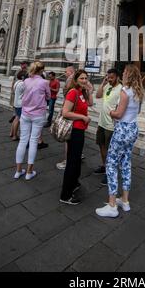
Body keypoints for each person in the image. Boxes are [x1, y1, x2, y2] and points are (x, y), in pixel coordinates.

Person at [96, 64, 144, 218]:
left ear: (128, 75)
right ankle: (125, 200)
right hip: (133, 129)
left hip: (122, 130)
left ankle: (111, 204)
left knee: (111, 164)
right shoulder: (139, 92)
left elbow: (118, 114)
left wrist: (111, 111)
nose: (122, 74)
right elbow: (137, 111)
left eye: (124, 72)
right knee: (126, 163)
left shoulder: (125, 92)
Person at [60, 70, 93, 205]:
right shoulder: (73, 92)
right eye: (81, 78)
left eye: (86, 78)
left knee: (76, 160)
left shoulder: (82, 92)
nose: (84, 80)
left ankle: (74, 183)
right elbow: (65, 112)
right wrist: (83, 117)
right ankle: (65, 195)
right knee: (72, 162)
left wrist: (89, 90)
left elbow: (90, 103)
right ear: (75, 79)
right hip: (74, 130)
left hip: (80, 130)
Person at [14, 61, 51, 181]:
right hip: (38, 115)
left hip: (25, 113)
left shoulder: (26, 81)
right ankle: (29, 172)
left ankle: (18, 171)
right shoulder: (44, 82)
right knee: (33, 141)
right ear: (41, 71)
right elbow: (48, 96)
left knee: (23, 141)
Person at [94, 69, 122, 186]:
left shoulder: (121, 89)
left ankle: (110, 172)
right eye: (108, 77)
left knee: (111, 150)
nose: (109, 79)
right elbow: (98, 95)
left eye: (111, 77)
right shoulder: (108, 86)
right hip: (102, 122)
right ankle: (105, 166)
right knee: (101, 145)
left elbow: (120, 107)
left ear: (117, 77)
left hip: (111, 125)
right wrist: (103, 83)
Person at [56, 65, 76, 170]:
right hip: (76, 110)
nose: (65, 73)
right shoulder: (80, 80)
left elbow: (66, 93)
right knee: (75, 136)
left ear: (70, 72)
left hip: (69, 109)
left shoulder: (70, 79)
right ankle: (77, 155)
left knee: (68, 136)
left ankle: (67, 160)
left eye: (66, 71)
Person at [10, 70, 26, 141]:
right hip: (20, 104)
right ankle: (15, 135)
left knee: (16, 118)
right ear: (23, 76)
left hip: (16, 103)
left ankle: (12, 133)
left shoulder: (17, 82)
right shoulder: (22, 83)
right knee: (18, 120)